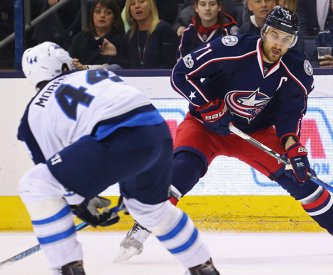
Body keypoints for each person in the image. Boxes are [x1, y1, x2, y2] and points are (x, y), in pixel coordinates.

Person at [116, 6, 333, 263]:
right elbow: (181, 74)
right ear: (264, 31)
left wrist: (293, 146)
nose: (279, 44)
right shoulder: (231, 48)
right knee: (183, 170)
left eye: (286, 39)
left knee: (300, 178)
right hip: (205, 126)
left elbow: (289, 115)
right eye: (275, 35)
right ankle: (142, 228)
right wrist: (207, 106)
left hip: (253, 132)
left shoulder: (297, 70)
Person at [18, 41, 219, 275]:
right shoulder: (97, 74)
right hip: (157, 132)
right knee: (150, 210)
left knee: (34, 184)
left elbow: (55, 177)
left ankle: (66, 269)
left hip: (117, 137)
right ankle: (203, 268)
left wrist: (81, 202)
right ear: (63, 67)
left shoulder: (35, 111)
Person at [105, 0, 179, 68]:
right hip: (136, 80)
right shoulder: (130, 35)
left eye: (141, 1)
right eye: (132, 4)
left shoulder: (164, 29)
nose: (137, 6)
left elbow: (171, 64)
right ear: (129, 11)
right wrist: (116, 54)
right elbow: (128, 66)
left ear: (151, 6)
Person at [69, 0, 126, 70]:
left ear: (114, 18)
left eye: (108, 13)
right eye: (98, 12)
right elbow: (69, 61)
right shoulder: (79, 39)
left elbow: (118, 67)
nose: (102, 15)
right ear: (92, 15)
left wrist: (85, 67)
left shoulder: (121, 39)